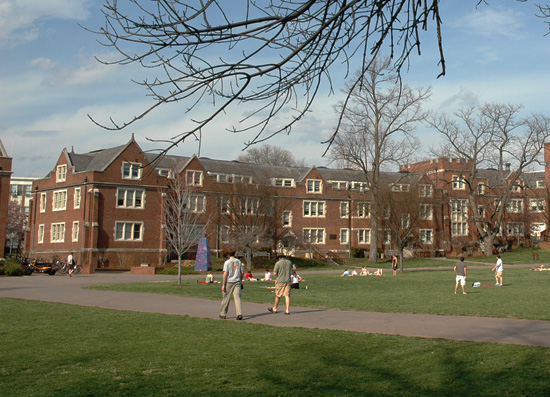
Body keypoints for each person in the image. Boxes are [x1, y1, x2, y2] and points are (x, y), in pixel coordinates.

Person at [219, 251, 244, 320]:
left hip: (229, 281)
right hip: (237, 281)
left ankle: (223, 313)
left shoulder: (227, 262)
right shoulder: (238, 262)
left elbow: (225, 274)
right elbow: (242, 272)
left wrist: (223, 284)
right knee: (237, 297)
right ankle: (239, 313)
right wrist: (241, 280)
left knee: (226, 297)